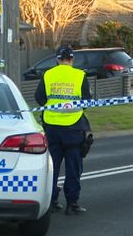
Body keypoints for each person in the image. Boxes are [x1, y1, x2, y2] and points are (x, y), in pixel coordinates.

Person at [34, 45, 92, 215]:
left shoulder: (49, 74)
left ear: (57, 59)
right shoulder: (80, 75)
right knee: (73, 167)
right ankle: (72, 204)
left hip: (52, 126)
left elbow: (40, 98)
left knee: (52, 166)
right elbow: (86, 101)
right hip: (73, 127)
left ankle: (51, 201)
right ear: (72, 59)